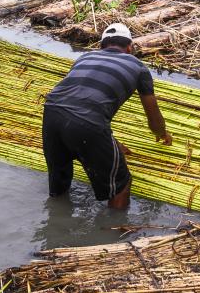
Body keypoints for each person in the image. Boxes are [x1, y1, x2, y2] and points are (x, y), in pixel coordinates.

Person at [41, 23, 173, 209]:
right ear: (130, 47)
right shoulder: (138, 67)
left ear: (101, 46)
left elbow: (78, 103)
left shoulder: (84, 57)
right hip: (87, 123)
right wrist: (161, 133)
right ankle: (114, 231)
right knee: (122, 184)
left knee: (59, 179)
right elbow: (152, 116)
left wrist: (113, 144)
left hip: (51, 113)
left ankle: (56, 222)